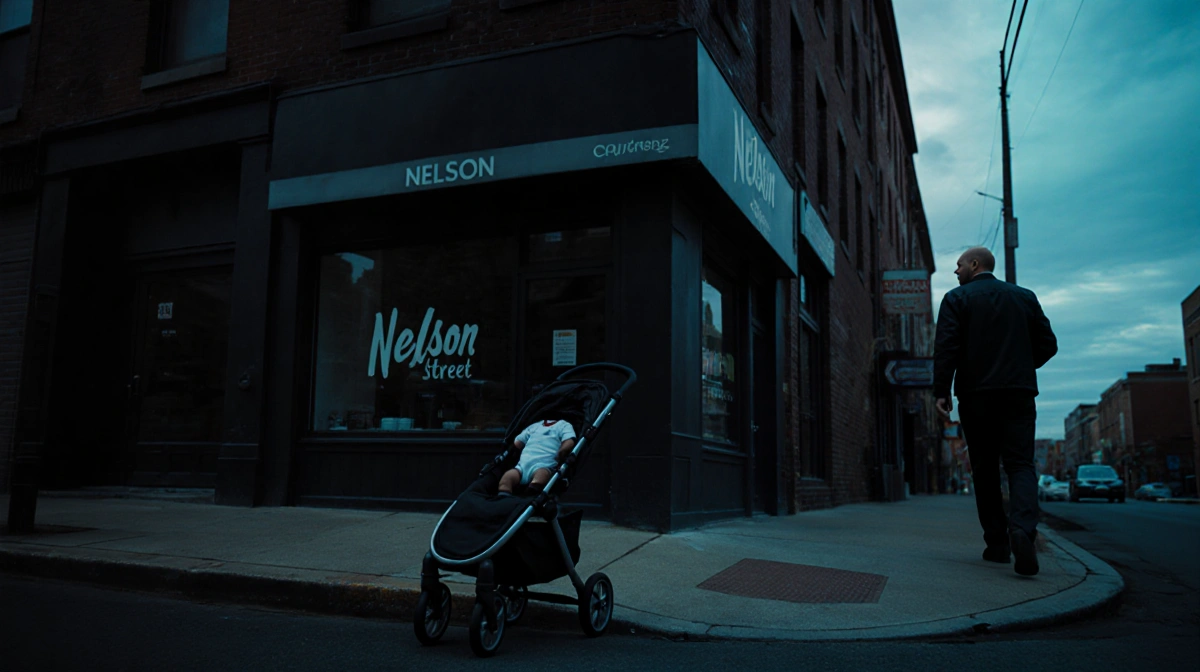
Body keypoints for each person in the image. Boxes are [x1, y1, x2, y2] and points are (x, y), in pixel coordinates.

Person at [933, 247, 1057, 576]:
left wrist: (941, 391)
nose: (955, 271)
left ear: (975, 264)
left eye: (959, 265)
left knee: (985, 469)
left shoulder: (956, 299)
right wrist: (1020, 366)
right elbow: (1049, 344)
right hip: (1019, 394)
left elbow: (947, 346)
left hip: (976, 395)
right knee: (1020, 465)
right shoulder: (1024, 297)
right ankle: (1023, 531)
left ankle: (998, 545)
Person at [498, 419, 576, 496]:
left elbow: (569, 440)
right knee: (506, 479)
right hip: (522, 467)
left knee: (541, 476)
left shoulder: (563, 425)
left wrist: (563, 450)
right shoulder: (535, 426)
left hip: (543, 466)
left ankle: (529, 496)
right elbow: (518, 442)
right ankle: (503, 499)